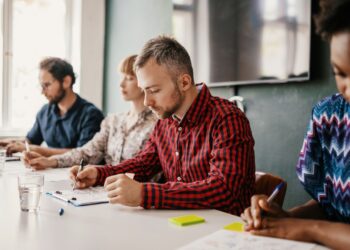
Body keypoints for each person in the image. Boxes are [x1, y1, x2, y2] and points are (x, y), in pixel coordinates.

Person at [70, 36, 255, 215]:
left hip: (223, 232)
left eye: (154, 91)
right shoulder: (165, 120)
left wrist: (144, 194)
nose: (147, 102)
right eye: (144, 91)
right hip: (181, 224)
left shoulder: (227, 119)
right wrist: (98, 174)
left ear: (184, 82)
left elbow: (223, 190)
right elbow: (143, 164)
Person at [241, 0, 350, 248]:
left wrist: (310, 229)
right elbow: (329, 208)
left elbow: (319, 227)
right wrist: (284, 219)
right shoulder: (328, 115)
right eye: (341, 74)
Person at [23, 55, 157, 171]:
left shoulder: (156, 125)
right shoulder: (113, 121)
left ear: (144, 82)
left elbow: (147, 169)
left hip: (133, 196)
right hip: (104, 191)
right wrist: (51, 161)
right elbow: (88, 152)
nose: (121, 84)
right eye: (121, 77)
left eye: (129, 78)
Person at [0, 57, 104, 157]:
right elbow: (30, 141)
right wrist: (8, 143)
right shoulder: (44, 112)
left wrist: (34, 149)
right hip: (50, 172)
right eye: (41, 86)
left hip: (77, 174)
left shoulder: (91, 115)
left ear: (66, 81)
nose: (42, 92)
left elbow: (83, 155)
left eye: (47, 85)